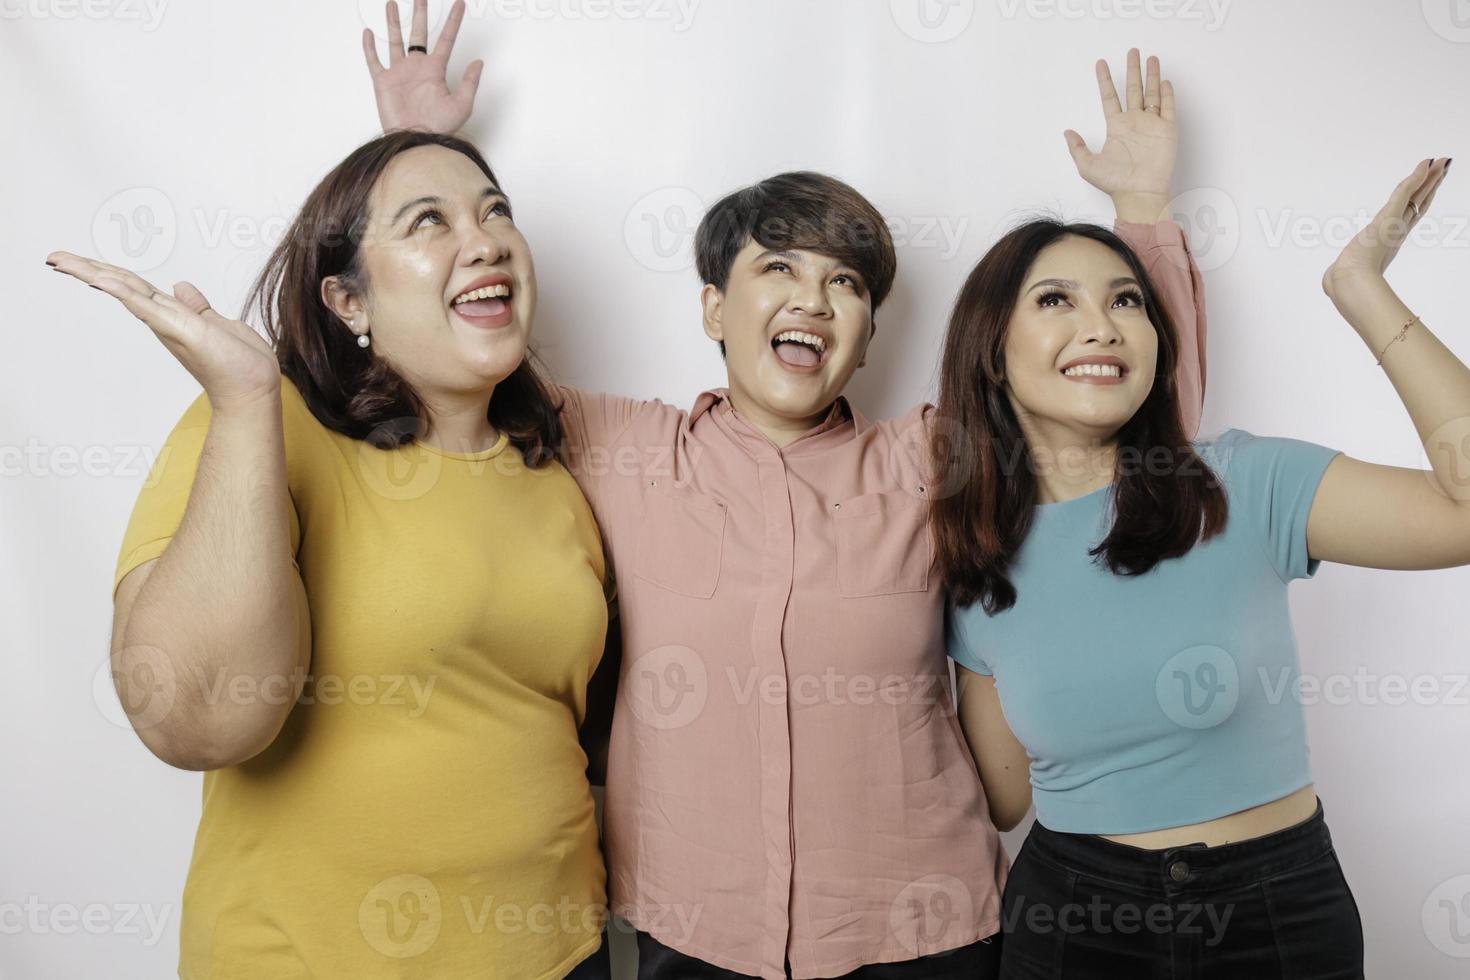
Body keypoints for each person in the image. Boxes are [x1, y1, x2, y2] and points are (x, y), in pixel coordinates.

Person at [364, 5, 1209, 976]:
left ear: (866, 334)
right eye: (778, 268)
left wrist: (1143, 216)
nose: (813, 298)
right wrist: (417, 152)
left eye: (846, 283)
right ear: (716, 307)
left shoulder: (932, 461)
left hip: (923, 934)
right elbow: (458, 346)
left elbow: (1131, 422)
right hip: (692, 939)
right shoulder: (627, 449)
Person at [50, 129, 618, 978]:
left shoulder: (559, 472)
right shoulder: (265, 427)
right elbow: (193, 716)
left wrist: (425, 157)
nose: (486, 237)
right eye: (427, 221)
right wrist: (243, 403)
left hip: (559, 953)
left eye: (497, 211)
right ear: (347, 303)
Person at [933, 156, 1454, 977]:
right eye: (1056, 300)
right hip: (1070, 916)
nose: (1103, 326)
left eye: (1127, 301)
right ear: (992, 352)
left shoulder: (1243, 482)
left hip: (1275, 909)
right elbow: (999, 800)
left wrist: (1361, 287)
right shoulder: (979, 564)